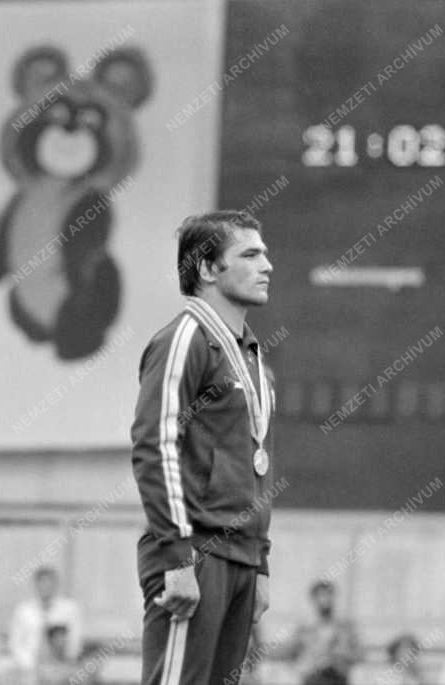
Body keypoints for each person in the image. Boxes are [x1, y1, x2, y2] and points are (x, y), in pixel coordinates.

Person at [131, 210, 275, 684]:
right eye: (250, 255)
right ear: (209, 269)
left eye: (264, 254)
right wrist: (177, 556)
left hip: (241, 556)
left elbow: (257, 463)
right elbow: (155, 446)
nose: (267, 265)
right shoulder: (183, 339)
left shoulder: (251, 354)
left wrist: (260, 562)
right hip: (194, 551)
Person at [279, 580, 361, 685]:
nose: (325, 599)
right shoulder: (304, 628)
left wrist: (339, 658)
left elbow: (358, 653)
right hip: (312, 678)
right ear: (314, 599)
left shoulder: (345, 627)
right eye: (321, 596)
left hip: (338, 678)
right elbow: (288, 652)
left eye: (328, 594)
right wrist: (301, 668)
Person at [6, 566, 82, 673]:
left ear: (56, 585)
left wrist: (67, 660)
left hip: (61, 666)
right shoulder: (23, 611)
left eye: (49, 583)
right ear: (36, 585)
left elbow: (75, 639)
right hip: (29, 666)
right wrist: (30, 664)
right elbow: (15, 643)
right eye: (42, 583)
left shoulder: (70, 609)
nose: (46, 587)